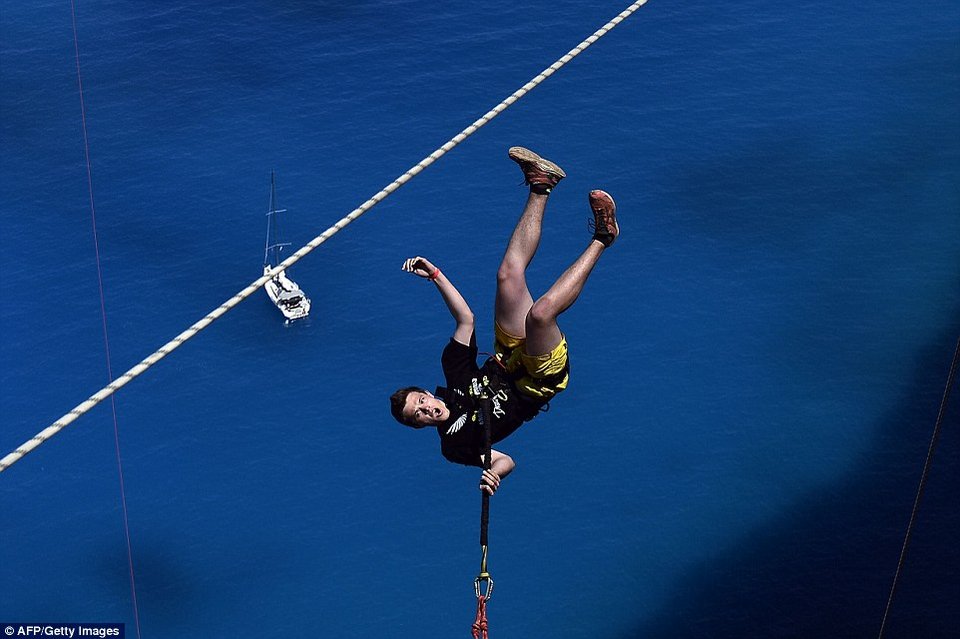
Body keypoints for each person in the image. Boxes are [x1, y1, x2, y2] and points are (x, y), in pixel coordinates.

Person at [389, 147, 619, 497]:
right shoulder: (454, 445)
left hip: (508, 353)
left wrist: (435, 275)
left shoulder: (454, 372)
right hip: (536, 381)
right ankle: (603, 238)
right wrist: (494, 474)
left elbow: (465, 318)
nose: (425, 409)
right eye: (417, 416)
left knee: (507, 274)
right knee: (541, 314)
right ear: (419, 426)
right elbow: (504, 459)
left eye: (419, 402)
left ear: (424, 392)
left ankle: (541, 185)